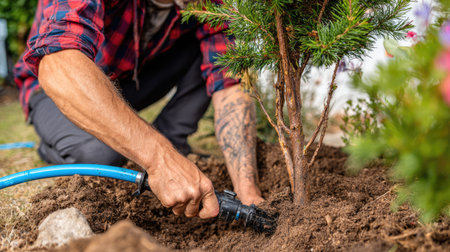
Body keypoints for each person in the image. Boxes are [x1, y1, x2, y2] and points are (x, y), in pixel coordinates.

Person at [14, 0, 264, 219]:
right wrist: (159, 159)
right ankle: (55, 148)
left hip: (129, 80)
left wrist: (248, 193)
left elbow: (230, 88)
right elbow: (58, 62)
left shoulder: (208, 3)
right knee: (102, 156)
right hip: (58, 86)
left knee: (216, 54)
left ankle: (173, 142)